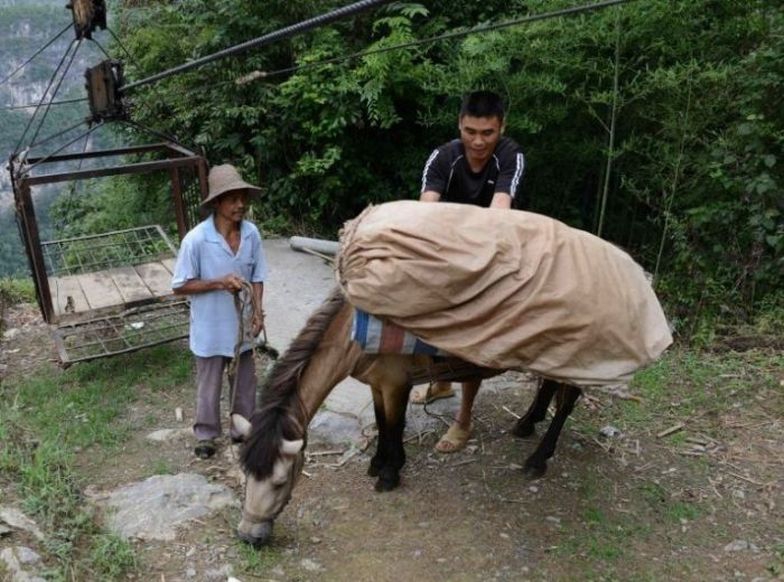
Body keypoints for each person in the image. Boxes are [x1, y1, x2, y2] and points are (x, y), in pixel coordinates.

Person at [412, 90, 526, 453]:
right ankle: (441, 382)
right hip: (447, 252)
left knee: (473, 341)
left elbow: (500, 211)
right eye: (470, 131)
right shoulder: (443, 157)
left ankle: (464, 419)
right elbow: (426, 212)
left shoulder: (511, 156)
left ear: (501, 128)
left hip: (495, 251)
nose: (478, 141)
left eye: (487, 133)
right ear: (459, 125)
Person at [171, 164, 267, 459]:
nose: (240, 205)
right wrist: (218, 283)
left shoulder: (251, 234)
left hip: (242, 327)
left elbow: (258, 276)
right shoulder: (197, 240)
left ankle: (242, 430)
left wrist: (258, 313)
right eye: (232, 199)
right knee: (209, 385)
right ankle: (206, 434)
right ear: (216, 203)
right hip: (211, 327)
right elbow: (179, 285)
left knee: (245, 383)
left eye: (242, 198)